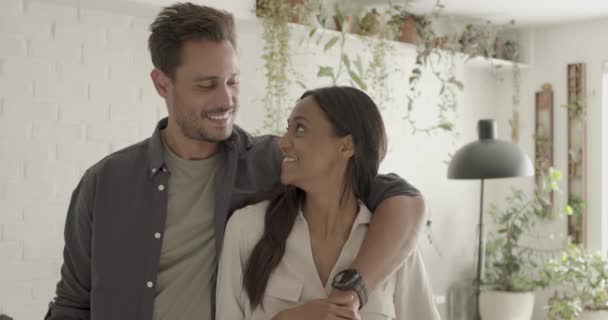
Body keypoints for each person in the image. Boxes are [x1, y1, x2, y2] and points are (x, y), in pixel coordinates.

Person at [44, 3, 426, 320]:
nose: (225, 100)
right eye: (206, 85)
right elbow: (73, 304)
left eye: (233, 81)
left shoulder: (272, 161)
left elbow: (400, 200)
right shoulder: (106, 182)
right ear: (162, 84)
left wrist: (355, 288)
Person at [216, 86, 439, 320]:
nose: (283, 142)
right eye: (287, 129)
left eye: (300, 129)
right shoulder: (246, 228)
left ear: (346, 146)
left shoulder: (393, 242)